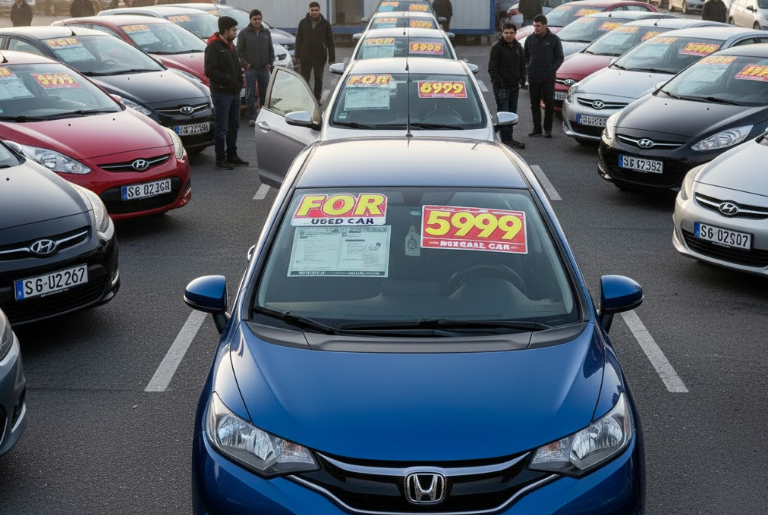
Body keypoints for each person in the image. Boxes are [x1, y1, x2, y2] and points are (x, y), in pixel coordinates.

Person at [204, 16, 250, 170]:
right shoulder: (214, 47)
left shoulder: (230, 45)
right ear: (225, 31)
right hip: (222, 93)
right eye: (233, 30)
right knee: (222, 127)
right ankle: (220, 159)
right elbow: (210, 71)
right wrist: (229, 80)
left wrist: (239, 81)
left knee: (234, 125)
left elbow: (235, 66)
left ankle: (232, 155)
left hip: (234, 92)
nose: (236, 32)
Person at [523, 14, 563, 138]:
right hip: (533, 77)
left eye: (538, 26)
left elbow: (559, 57)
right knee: (534, 104)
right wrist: (529, 67)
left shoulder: (554, 39)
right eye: (534, 26)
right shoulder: (530, 39)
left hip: (548, 78)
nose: (536, 28)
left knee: (549, 104)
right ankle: (537, 129)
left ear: (545, 25)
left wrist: (552, 69)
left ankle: (548, 129)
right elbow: (525, 56)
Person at [489, 22, 526, 149]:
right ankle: (505, 138)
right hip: (501, 87)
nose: (509, 35)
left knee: (512, 112)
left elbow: (522, 65)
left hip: (514, 86)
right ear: (502, 33)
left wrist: (522, 78)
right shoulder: (496, 47)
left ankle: (505, 136)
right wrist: (499, 82)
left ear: (515, 33)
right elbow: (492, 68)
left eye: (511, 33)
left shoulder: (518, 47)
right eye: (506, 33)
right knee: (504, 112)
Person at [237, 9, 275, 128]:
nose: (257, 21)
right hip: (251, 70)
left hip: (264, 69)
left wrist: (270, 62)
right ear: (250, 20)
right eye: (255, 19)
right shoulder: (244, 33)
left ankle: (264, 116)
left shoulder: (266, 33)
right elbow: (239, 51)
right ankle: (253, 117)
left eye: (259, 19)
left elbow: (270, 49)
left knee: (265, 93)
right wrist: (246, 65)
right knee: (250, 93)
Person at [295, 1, 336, 102]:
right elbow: (298, 40)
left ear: (319, 11)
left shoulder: (325, 24)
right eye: (312, 10)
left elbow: (330, 42)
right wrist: (297, 56)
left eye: (316, 10)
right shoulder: (303, 23)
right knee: (304, 79)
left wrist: (332, 58)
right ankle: (305, 99)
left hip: (320, 57)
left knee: (318, 79)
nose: (314, 12)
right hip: (306, 57)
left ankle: (317, 99)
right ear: (309, 10)